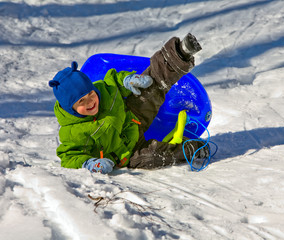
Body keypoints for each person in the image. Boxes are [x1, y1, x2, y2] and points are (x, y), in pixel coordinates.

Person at [49, 33, 209, 174]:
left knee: (151, 86)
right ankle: (194, 149)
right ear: (71, 108)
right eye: (81, 101)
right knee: (154, 157)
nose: (90, 101)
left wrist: (127, 80)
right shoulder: (71, 132)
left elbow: (113, 79)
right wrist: (89, 163)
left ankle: (179, 54)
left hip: (132, 116)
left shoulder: (102, 90)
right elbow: (68, 157)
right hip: (127, 153)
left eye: (90, 94)